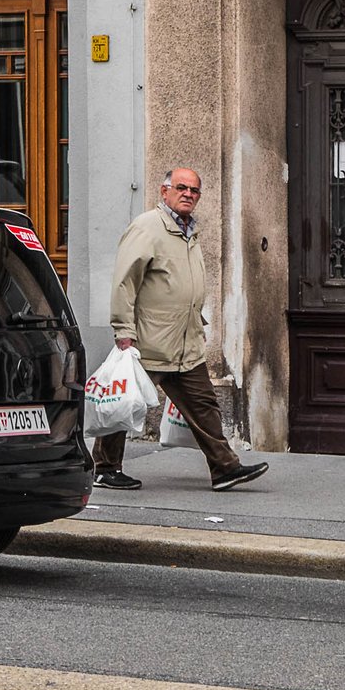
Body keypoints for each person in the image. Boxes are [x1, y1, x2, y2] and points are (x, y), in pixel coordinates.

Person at [95, 167, 268, 492]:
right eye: (181, 188)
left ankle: (224, 468)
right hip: (149, 341)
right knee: (124, 403)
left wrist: (196, 325)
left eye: (195, 190)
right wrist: (123, 330)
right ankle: (104, 467)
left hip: (185, 341)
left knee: (204, 405)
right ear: (165, 192)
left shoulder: (188, 231)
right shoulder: (147, 228)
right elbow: (124, 282)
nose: (188, 194)